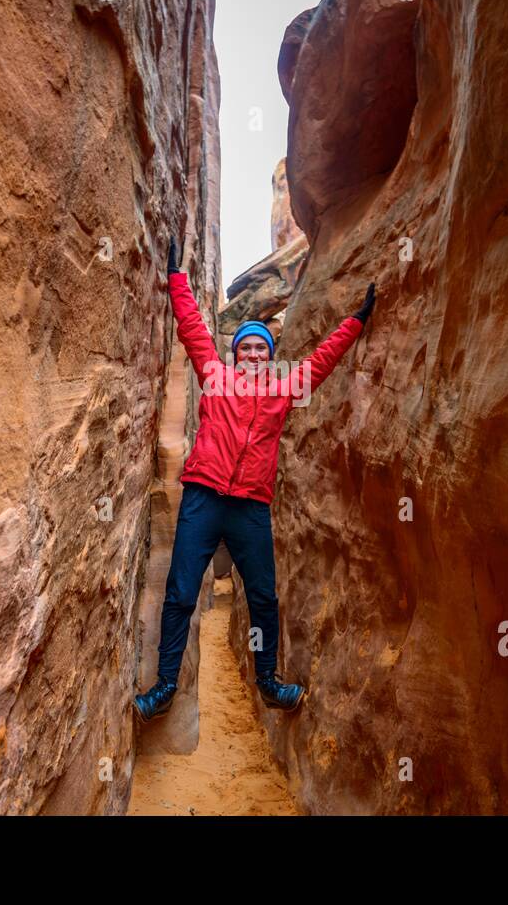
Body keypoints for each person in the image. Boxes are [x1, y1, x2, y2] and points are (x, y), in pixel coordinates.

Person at [133, 237, 376, 722]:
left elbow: (323, 360)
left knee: (264, 596)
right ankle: (164, 687)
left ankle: (268, 682)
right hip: (203, 497)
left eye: (260, 348)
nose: (252, 354)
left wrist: (356, 321)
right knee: (181, 592)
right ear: (235, 353)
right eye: (244, 347)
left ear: (269, 355)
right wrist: (176, 278)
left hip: (249, 507)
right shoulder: (215, 375)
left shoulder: (284, 390)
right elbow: (194, 331)